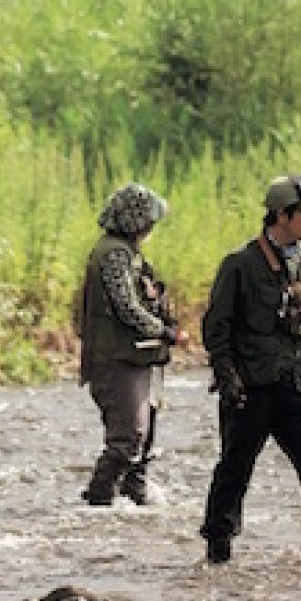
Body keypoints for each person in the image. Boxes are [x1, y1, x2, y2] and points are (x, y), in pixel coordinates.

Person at [199, 175, 301, 563]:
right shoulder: (240, 264)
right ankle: (218, 543)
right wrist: (227, 375)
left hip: (298, 384)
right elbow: (216, 327)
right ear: (282, 215)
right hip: (252, 388)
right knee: (235, 467)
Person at [77, 182, 180, 507]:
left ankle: (134, 496)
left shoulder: (124, 252)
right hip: (117, 361)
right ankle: (98, 502)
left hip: (132, 359)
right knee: (128, 439)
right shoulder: (114, 254)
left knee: (143, 437)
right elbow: (126, 306)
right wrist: (162, 330)